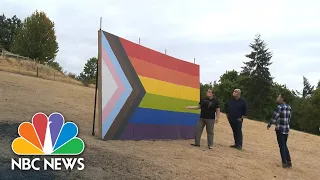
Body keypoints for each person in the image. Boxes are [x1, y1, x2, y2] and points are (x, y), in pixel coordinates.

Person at [267, 93, 292, 168]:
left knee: (282, 146)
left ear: (282, 99)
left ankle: (284, 162)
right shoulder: (289, 107)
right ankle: (289, 162)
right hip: (286, 129)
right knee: (284, 145)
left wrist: (269, 124)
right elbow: (289, 119)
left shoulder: (279, 107)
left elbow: (274, 117)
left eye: (279, 97)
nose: (277, 98)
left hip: (280, 129)